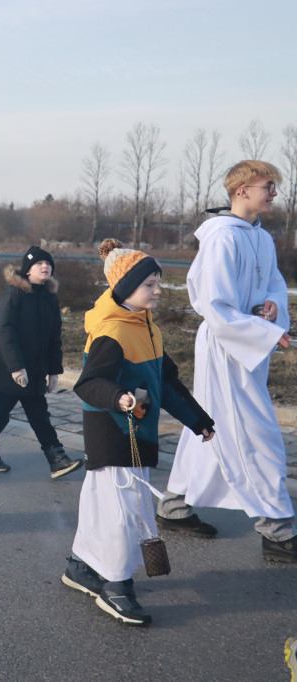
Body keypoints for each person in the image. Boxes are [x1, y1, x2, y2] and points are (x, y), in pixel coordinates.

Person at [64, 238, 215, 627]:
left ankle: (81, 566)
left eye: (157, 282)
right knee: (121, 512)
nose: (158, 290)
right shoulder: (112, 331)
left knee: (106, 505)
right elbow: (88, 384)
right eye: (150, 283)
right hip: (113, 430)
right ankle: (116, 585)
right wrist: (120, 399)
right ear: (125, 287)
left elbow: (166, 383)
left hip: (135, 431)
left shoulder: (148, 328)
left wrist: (198, 420)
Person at [157, 160, 296, 563]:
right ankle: (277, 529)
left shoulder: (261, 237)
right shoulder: (222, 238)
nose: (273, 193)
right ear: (241, 190)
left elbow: (272, 284)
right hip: (226, 345)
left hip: (249, 342)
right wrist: (264, 331)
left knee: (210, 424)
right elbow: (214, 305)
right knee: (257, 431)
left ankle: (173, 505)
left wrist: (272, 308)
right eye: (268, 186)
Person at [0, 246, 80, 478]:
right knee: (1, 411)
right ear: (27, 270)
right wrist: (15, 367)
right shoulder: (14, 294)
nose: (45, 267)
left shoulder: (50, 299)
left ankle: (56, 459)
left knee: (39, 414)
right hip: (9, 368)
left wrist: (54, 372)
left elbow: (55, 338)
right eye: (39, 264)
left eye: (48, 264)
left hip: (35, 369)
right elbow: (4, 331)